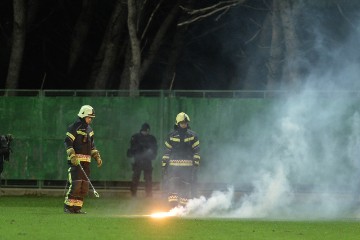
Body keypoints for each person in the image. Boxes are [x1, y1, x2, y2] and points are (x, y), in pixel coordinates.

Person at [63, 105, 103, 214]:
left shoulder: (90, 130)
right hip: (76, 162)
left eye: (91, 118)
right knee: (76, 184)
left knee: (83, 186)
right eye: (89, 117)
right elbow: (68, 142)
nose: (90, 120)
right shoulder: (74, 127)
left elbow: (92, 146)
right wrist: (72, 156)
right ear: (83, 115)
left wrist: (97, 156)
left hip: (86, 163)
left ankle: (77, 208)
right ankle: (68, 206)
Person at [162, 112, 200, 207]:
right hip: (173, 166)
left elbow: (196, 151)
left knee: (186, 187)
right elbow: (167, 151)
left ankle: (183, 209)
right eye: (182, 123)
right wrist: (164, 163)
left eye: (185, 123)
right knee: (172, 186)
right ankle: (173, 208)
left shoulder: (193, 135)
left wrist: (196, 162)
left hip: (187, 167)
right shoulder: (171, 135)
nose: (184, 124)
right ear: (177, 123)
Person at [127, 123, 157, 197]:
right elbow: (132, 149)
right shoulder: (136, 137)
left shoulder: (150, 138)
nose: (145, 132)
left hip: (146, 160)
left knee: (147, 178)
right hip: (138, 160)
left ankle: (148, 194)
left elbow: (154, 149)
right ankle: (134, 193)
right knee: (136, 178)